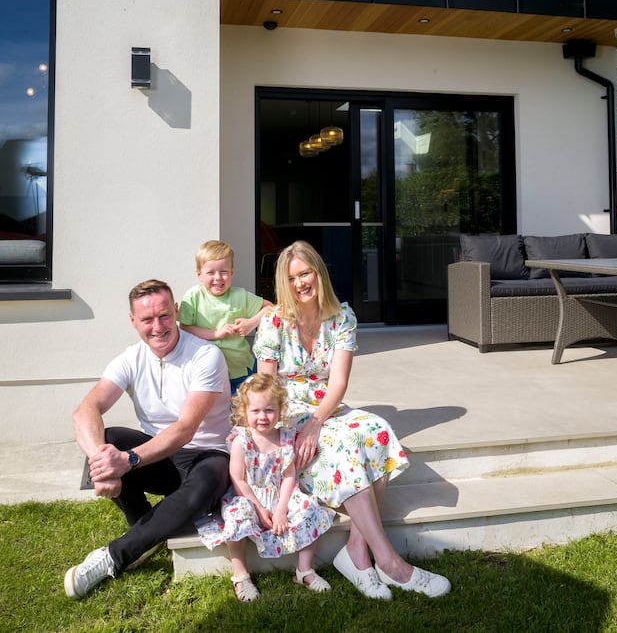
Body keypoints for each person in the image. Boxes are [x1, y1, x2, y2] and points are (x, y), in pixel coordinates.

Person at [253, 241, 452, 600]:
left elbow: (339, 383)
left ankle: (356, 551)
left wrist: (316, 421)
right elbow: (265, 388)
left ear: (319, 272)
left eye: (306, 273)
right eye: (292, 278)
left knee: (377, 430)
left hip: (325, 409)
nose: (300, 283)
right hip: (284, 414)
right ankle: (390, 562)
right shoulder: (273, 321)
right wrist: (292, 429)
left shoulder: (341, 317)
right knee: (345, 446)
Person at [64, 278, 232, 600]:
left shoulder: (206, 356)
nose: (158, 326)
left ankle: (115, 556)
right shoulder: (130, 358)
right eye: (147, 319)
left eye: (164, 315)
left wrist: (127, 461)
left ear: (176, 311)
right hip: (161, 458)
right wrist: (102, 463)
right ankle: (144, 526)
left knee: (206, 482)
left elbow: (186, 428)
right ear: (133, 321)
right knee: (108, 438)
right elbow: (85, 410)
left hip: (207, 454)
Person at [196, 372, 335, 601]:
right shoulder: (242, 440)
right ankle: (241, 575)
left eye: (269, 410)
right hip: (250, 497)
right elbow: (238, 478)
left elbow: (289, 476)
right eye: (255, 411)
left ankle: (305, 570)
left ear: (280, 410)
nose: (263, 417)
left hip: (280, 494)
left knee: (310, 507)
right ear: (244, 412)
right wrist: (260, 509)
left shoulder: (285, 438)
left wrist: (281, 510)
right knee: (237, 514)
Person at [179, 239, 274, 392]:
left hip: (240, 370)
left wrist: (252, 323)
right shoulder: (194, 296)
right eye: (210, 272)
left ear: (232, 272)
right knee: (214, 414)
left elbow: (272, 308)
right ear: (199, 275)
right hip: (206, 373)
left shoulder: (240, 296)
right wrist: (216, 333)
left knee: (244, 411)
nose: (218, 277)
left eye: (223, 272)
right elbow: (184, 328)